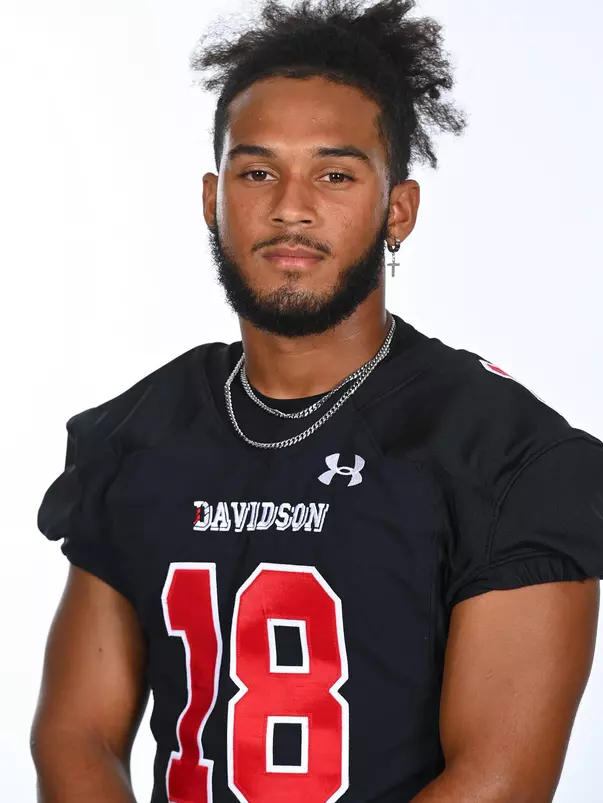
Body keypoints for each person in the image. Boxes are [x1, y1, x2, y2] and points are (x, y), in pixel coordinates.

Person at [30, 0, 603, 801]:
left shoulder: (509, 456)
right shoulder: (140, 431)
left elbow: (498, 782)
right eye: (257, 171)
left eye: (334, 174)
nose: (290, 205)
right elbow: (76, 733)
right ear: (212, 198)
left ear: (396, 209)